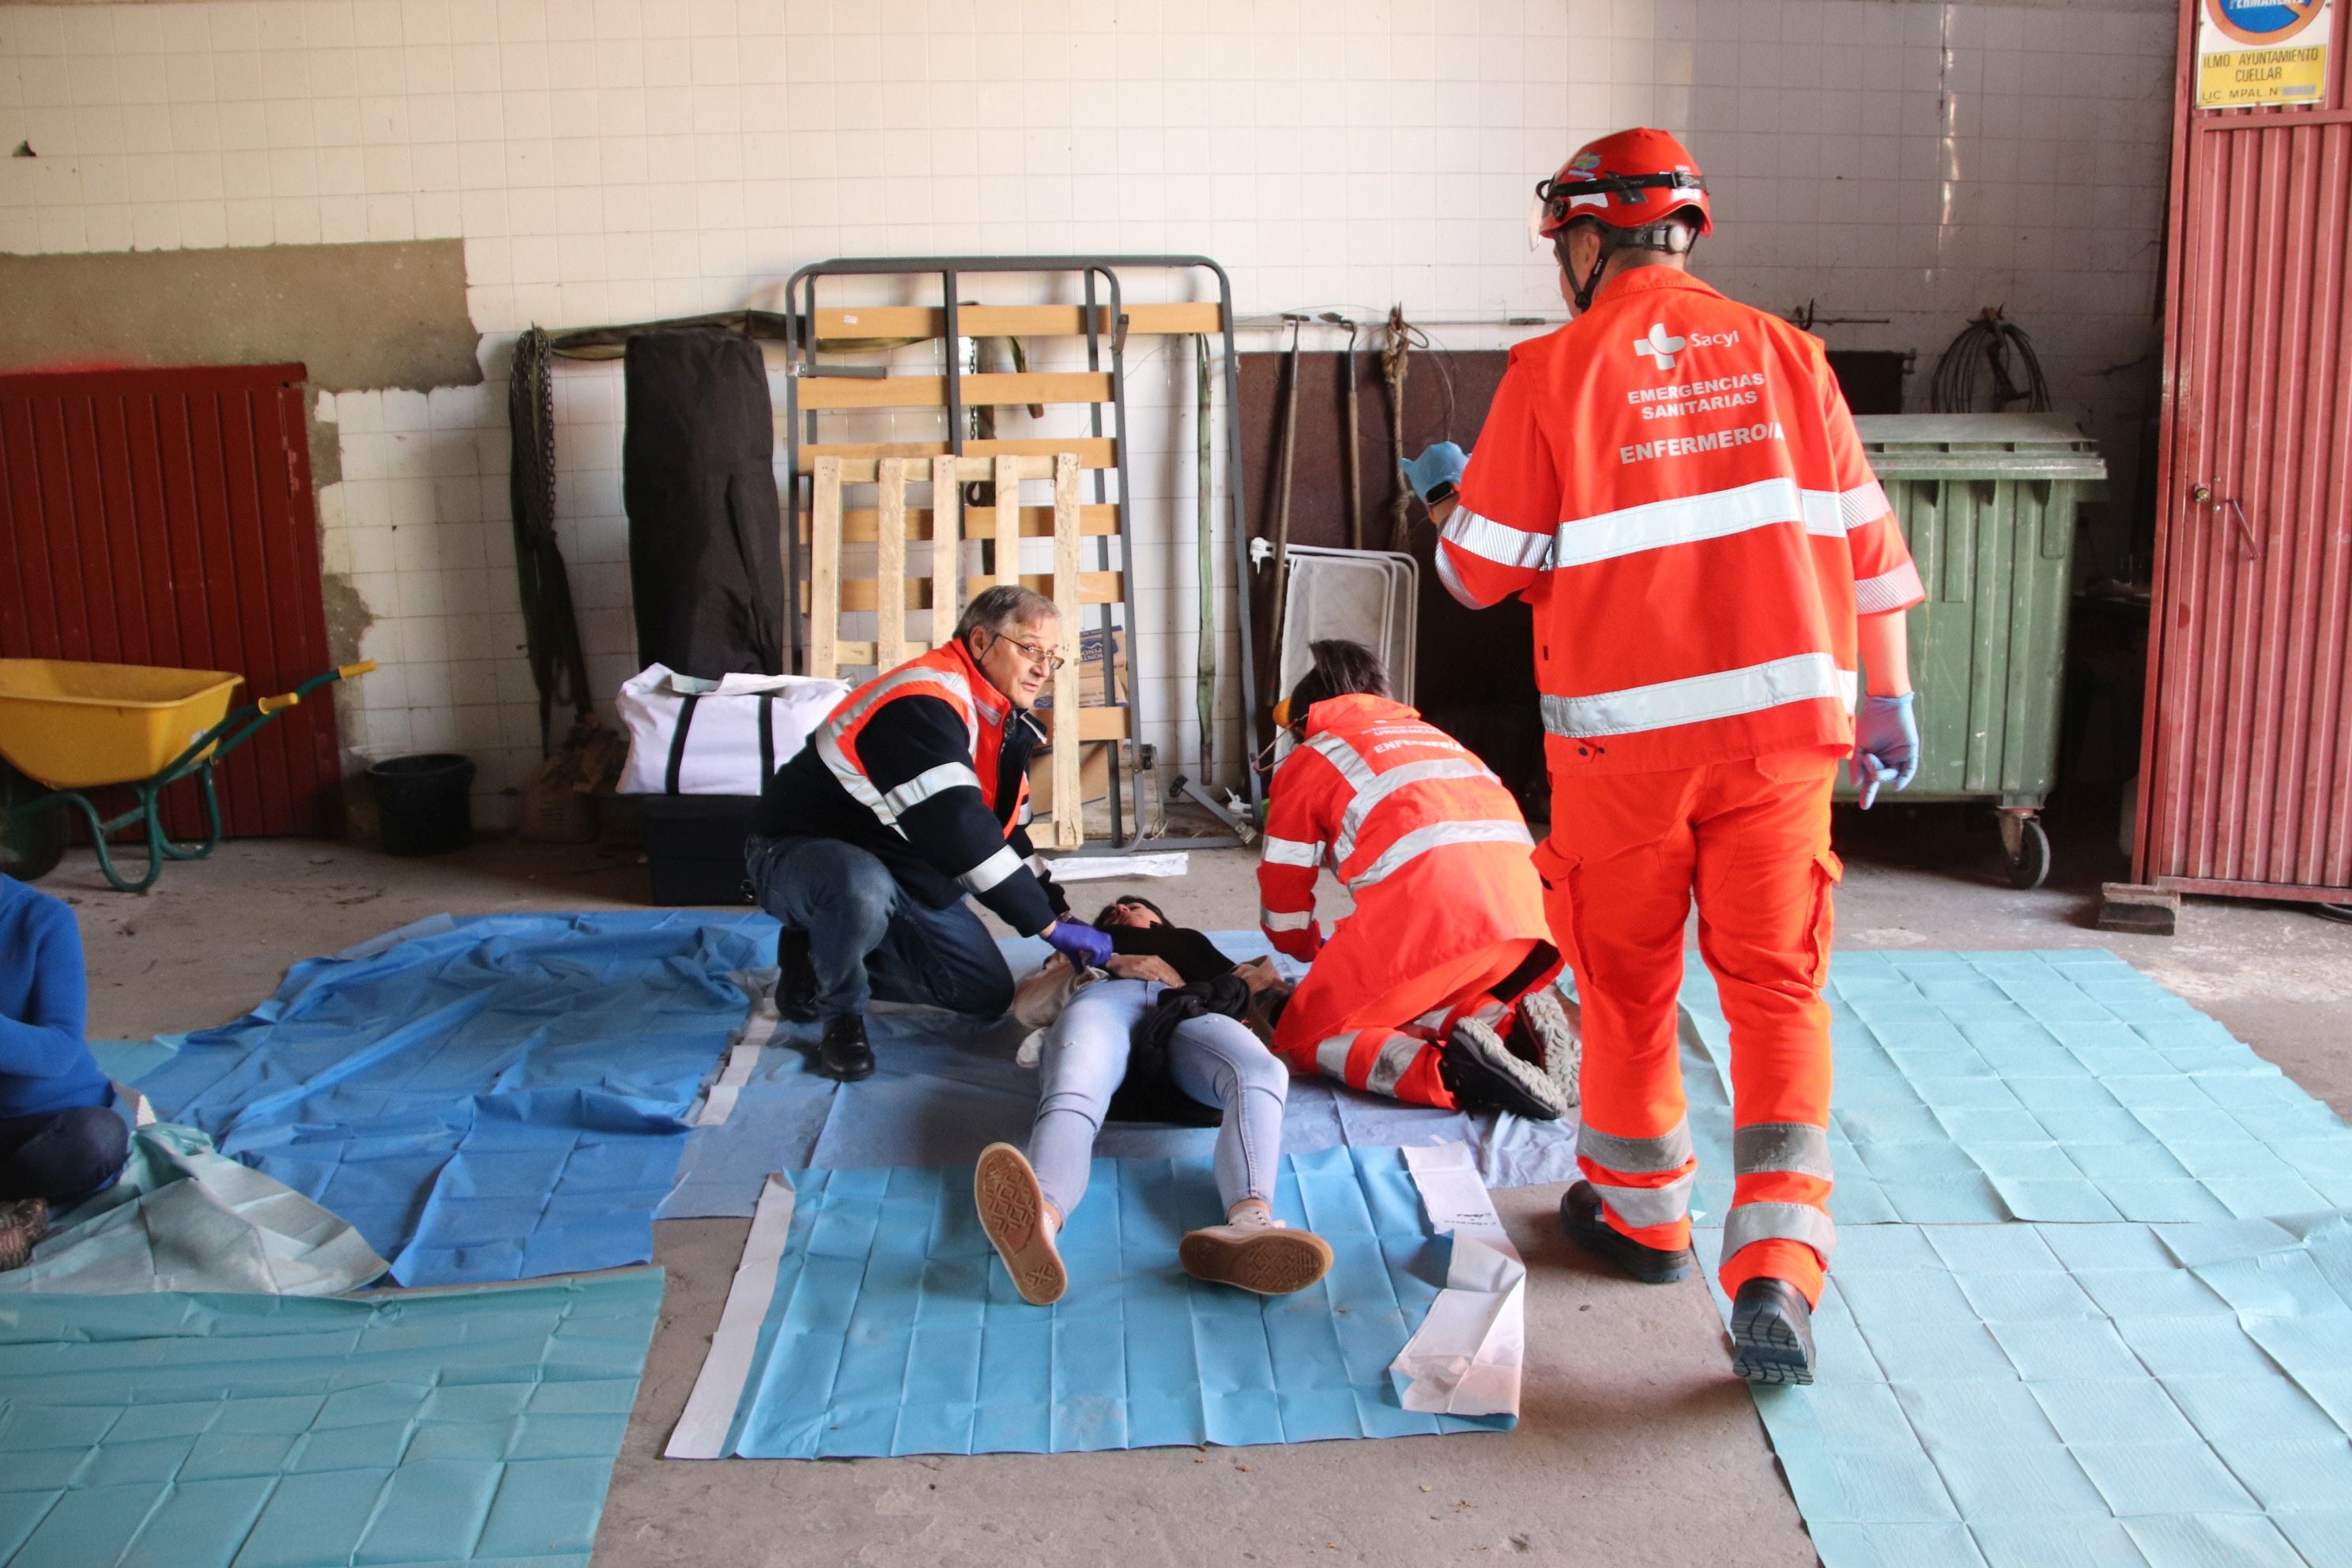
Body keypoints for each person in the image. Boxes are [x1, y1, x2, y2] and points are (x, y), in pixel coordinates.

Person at [1403, 127, 1925, 1385]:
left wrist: (1447, 504)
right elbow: (1868, 553)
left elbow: (1479, 577)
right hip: (1785, 749)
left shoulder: (1554, 369)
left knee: (1630, 994)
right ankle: (1778, 1275)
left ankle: (1642, 1218)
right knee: (1777, 997)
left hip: (1625, 758)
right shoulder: (1795, 360)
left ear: (1586, 241)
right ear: (1685, 232)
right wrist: (1888, 698)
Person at [747, 585, 1117, 1081]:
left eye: (1052, 656)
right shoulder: (921, 701)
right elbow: (959, 829)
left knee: (982, 994)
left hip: (897, 865)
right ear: (981, 639)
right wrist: (1047, 930)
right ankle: (841, 1013)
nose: (1043, 668)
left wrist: (1060, 911)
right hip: (802, 854)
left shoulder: (1002, 722)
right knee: (858, 888)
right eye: (1030, 648)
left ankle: (821, 950)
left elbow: (1007, 836)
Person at [1255, 639, 1576, 1124]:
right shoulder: (1439, 740)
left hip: (1435, 925)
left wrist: (1305, 951)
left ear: (1301, 723)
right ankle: (1508, 1027)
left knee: (1307, 1036)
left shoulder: (1314, 756)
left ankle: (1452, 1074)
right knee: (1414, 992)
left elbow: (1283, 894)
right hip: (1528, 927)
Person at [974, 899, 1328, 1306]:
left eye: (1133, 906)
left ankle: (1250, 1224)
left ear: (1160, 919)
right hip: (1102, 1003)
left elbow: (1262, 995)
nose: (1120, 909)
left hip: (1185, 1009)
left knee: (1263, 1073)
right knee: (1074, 1082)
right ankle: (1038, 1220)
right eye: (1109, 913)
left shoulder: (1189, 942)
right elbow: (1028, 1005)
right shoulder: (1082, 947)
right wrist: (1110, 962)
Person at [0, 872, 131, 1269]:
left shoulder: (43, 919)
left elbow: (59, 1051)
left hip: (53, 1121)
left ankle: (19, 1201)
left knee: (98, 1139)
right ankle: (19, 1208)